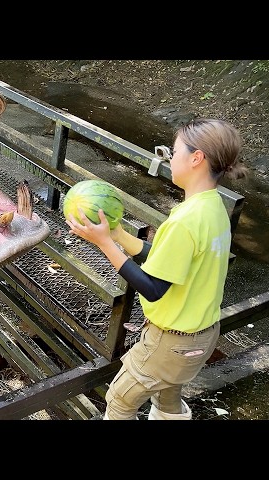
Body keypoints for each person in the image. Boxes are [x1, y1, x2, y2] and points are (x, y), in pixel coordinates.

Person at [65, 118, 247, 420]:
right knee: (167, 394)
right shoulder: (212, 208)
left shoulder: (184, 221)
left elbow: (153, 288)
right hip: (201, 337)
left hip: (171, 342)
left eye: (173, 152)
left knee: (120, 400)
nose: (170, 159)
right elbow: (165, 261)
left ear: (196, 158)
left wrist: (104, 245)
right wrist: (118, 235)